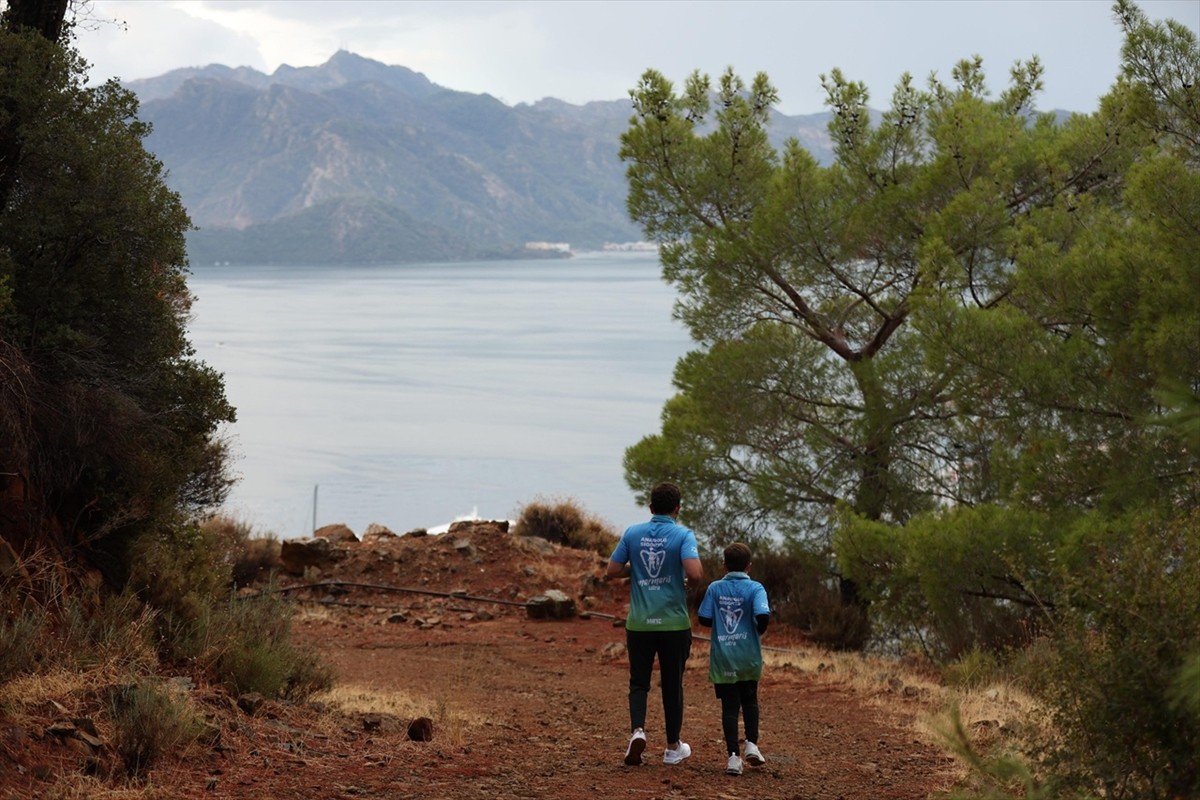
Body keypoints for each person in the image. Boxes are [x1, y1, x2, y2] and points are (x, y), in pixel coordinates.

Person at [606, 481, 703, 766]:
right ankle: (673, 747)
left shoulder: (633, 533)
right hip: (673, 624)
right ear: (678, 509)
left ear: (650, 508)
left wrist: (635, 570)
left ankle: (637, 731)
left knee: (639, 682)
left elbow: (612, 570)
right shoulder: (683, 534)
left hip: (639, 624)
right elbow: (695, 575)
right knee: (673, 685)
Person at [697, 541, 771, 776]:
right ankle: (752, 744)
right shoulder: (756, 589)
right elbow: (763, 616)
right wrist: (754, 631)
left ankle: (733, 757)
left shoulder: (715, 588)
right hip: (748, 656)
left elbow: (704, 619)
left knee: (729, 707)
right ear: (749, 566)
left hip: (723, 659)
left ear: (724, 565)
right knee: (750, 700)